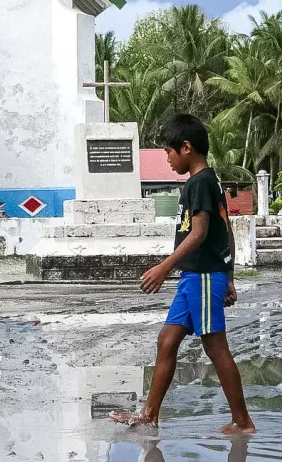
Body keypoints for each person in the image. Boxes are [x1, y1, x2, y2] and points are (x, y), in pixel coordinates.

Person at [110, 114, 256, 435]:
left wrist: (164, 267)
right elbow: (226, 230)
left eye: (169, 152)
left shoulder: (201, 182)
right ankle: (149, 414)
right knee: (167, 339)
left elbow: (200, 232)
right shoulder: (205, 182)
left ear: (186, 148)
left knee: (215, 346)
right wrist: (229, 275)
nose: (167, 158)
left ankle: (242, 421)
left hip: (202, 276)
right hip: (196, 277)